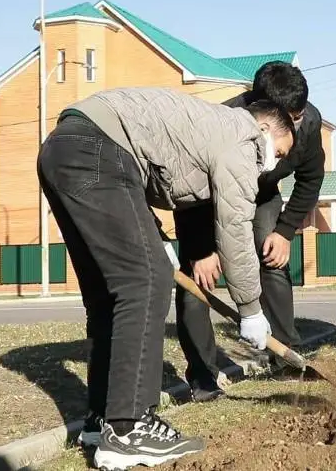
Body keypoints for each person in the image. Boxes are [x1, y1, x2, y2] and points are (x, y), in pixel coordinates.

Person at [36, 87, 295, 470]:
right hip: (98, 149)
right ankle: (129, 427)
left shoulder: (207, 129)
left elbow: (141, 175)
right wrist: (251, 309)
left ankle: (103, 418)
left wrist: (155, 236)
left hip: (63, 149)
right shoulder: (243, 138)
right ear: (264, 128)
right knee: (146, 281)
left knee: (111, 294)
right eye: (281, 152)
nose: (274, 164)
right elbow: (235, 228)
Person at [173, 61, 326, 400]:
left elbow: (311, 178)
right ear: (258, 109)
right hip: (204, 201)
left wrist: (285, 230)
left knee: (271, 257)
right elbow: (187, 192)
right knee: (197, 281)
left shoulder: (309, 122)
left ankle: (287, 355)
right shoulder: (221, 123)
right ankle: (203, 376)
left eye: (297, 117)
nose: (293, 127)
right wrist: (201, 250)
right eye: (287, 118)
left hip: (262, 196)